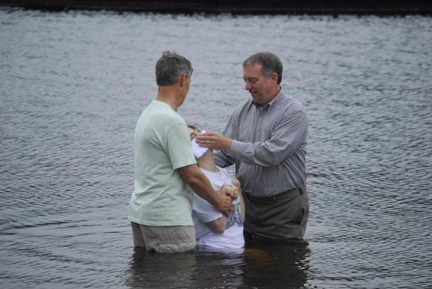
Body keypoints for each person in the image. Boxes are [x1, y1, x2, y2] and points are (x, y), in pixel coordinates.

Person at [195, 52, 309, 242]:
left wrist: (228, 143)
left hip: (282, 208)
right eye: (245, 80)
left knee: (284, 264)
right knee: (244, 265)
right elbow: (225, 155)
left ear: (273, 79)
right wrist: (194, 165)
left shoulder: (294, 112)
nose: (247, 87)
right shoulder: (241, 111)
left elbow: (270, 154)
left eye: (252, 80)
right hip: (245, 204)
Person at [127, 51, 233, 253]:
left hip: (142, 214)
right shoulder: (173, 121)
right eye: (190, 82)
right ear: (184, 80)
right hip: (168, 220)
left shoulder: (148, 113)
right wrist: (219, 201)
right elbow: (193, 176)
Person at [188, 125, 245, 249]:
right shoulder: (199, 181)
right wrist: (225, 193)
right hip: (215, 252)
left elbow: (240, 219)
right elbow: (219, 227)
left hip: (236, 248)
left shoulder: (222, 172)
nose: (203, 134)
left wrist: (237, 189)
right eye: (194, 136)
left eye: (199, 131)